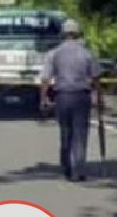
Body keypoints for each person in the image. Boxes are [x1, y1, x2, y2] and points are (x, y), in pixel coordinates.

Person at [40, 19, 102, 182]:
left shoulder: (54, 53)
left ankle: (68, 164)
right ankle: (78, 169)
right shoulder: (87, 53)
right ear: (77, 34)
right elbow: (96, 77)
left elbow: (46, 78)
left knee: (66, 132)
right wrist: (98, 97)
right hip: (81, 95)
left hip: (63, 96)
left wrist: (43, 98)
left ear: (63, 34)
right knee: (80, 134)